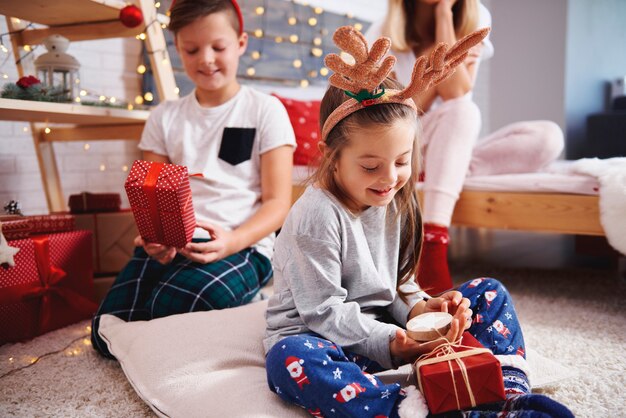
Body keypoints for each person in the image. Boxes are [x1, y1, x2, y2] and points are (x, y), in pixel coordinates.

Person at [263, 26, 573, 418]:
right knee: (288, 359)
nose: (389, 178)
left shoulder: (393, 199)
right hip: (325, 336)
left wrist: (421, 309)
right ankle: (411, 409)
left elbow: (397, 283)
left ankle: (500, 393)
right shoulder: (315, 216)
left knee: (489, 293)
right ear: (331, 156)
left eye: (402, 161)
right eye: (371, 165)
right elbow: (322, 311)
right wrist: (395, 341)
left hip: (390, 335)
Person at [91, 0, 296, 358]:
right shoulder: (164, 117)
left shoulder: (265, 110)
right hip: (174, 242)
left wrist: (233, 241)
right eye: (191, 49)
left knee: (170, 307)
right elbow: (149, 193)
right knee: (104, 332)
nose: (205, 59)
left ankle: (247, 294)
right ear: (177, 49)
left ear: (241, 43)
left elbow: (279, 203)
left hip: (242, 244)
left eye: (218, 47)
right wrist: (155, 238)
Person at [365, 0, 565, 295]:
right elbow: (395, 116)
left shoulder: (476, 17)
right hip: (402, 141)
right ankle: (433, 242)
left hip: (448, 141)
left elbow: (456, 90)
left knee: (548, 137)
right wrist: (432, 81)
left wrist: (445, 15)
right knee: (464, 111)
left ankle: (443, 171)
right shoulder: (382, 30)